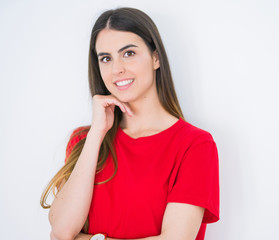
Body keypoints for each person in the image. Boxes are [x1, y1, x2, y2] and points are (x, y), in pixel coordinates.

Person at [40, 7, 219, 240]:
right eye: (106, 58)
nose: (117, 69)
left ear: (156, 57)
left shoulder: (194, 145)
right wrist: (97, 133)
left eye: (129, 53)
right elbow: (61, 232)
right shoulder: (84, 140)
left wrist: (92, 239)